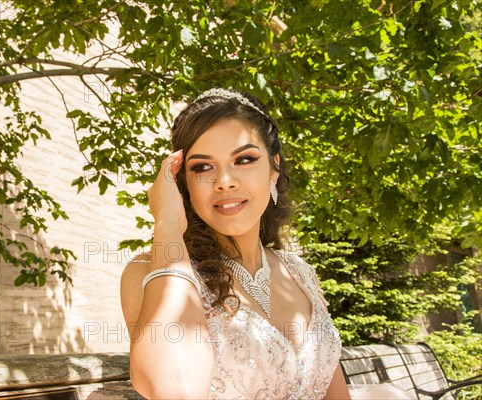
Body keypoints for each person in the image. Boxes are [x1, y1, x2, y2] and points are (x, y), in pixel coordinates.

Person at [120, 88, 352, 399]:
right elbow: (173, 389)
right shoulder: (150, 271)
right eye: (202, 167)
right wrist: (166, 223)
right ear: (183, 184)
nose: (225, 181)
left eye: (244, 159)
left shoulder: (300, 274)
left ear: (273, 169)